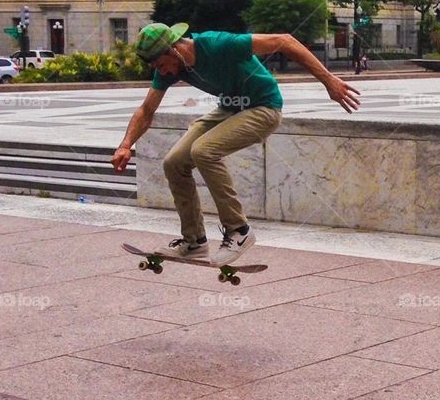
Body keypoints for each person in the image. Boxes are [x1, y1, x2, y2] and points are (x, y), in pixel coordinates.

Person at [111, 23, 360, 264]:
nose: (163, 72)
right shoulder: (170, 66)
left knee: (204, 150)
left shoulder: (219, 44)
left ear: (174, 49)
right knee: (174, 162)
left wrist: (328, 80)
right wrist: (126, 144)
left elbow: (284, 40)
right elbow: (146, 109)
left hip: (264, 107)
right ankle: (194, 242)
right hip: (230, 108)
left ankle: (238, 231)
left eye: (163, 65)